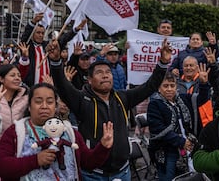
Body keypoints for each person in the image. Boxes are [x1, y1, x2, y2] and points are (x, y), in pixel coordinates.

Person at [47, 38, 172, 180]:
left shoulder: (123, 97)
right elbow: (63, 86)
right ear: (89, 79)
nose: (105, 75)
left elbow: (149, 86)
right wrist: (56, 62)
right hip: (93, 175)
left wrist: (163, 63)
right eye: (99, 72)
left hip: (123, 172)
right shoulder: (81, 100)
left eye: (108, 72)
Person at [0, 82, 114, 180]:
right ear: (29, 106)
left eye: (50, 102)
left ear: (55, 107)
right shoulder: (16, 132)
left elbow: (88, 163)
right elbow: (0, 167)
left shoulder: (69, 132)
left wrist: (103, 147)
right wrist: (35, 160)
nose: (44, 106)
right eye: (38, 101)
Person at [147, 71, 193, 180]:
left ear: (176, 87)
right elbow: (158, 129)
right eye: (165, 86)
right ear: (159, 88)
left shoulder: (181, 100)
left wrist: (204, 84)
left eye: (172, 86)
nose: (169, 89)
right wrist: (181, 142)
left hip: (187, 146)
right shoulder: (154, 104)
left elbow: (201, 100)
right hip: (166, 150)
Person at [20, 12, 86, 87]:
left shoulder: (47, 46)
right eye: (38, 33)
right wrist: (33, 22)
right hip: (32, 86)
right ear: (33, 34)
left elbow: (62, 40)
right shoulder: (29, 47)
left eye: (42, 33)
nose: (41, 35)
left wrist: (75, 30)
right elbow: (25, 37)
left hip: (49, 85)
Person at [176, 56, 212, 136]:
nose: (188, 68)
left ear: (197, 67)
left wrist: (204, 83)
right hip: (182, 124)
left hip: (201, 123)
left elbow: (205, 98)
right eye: (186, 65)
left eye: (191, 65)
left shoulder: (203, 81)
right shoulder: (176, 84)